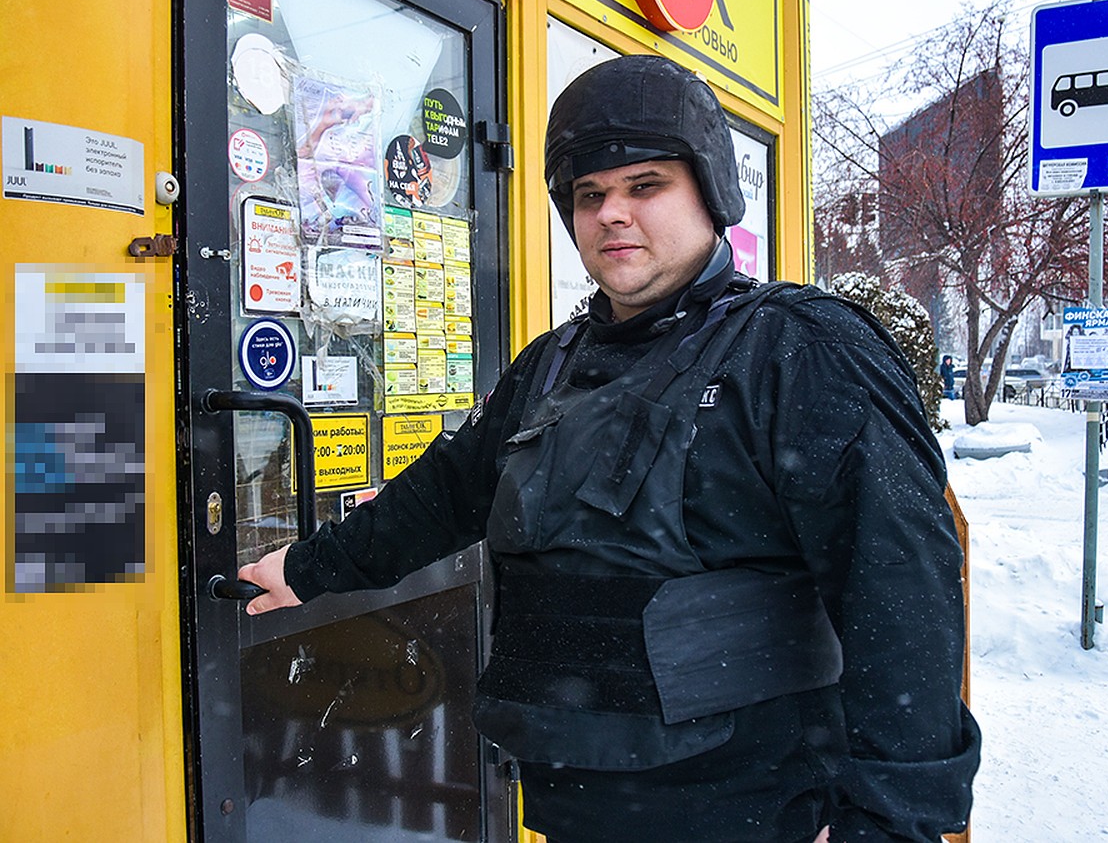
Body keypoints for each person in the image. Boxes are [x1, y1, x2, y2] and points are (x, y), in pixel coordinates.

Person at [240, 54, 980, 843]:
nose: (611, 214)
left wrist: (892, 821)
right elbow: (448, 494)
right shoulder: (552, 363)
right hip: (576, 804)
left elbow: (900, 591)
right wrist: (309, 569)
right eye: (588, 196)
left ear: (710, 193)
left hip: (753, 811)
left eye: (645, 185)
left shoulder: (799, 349)